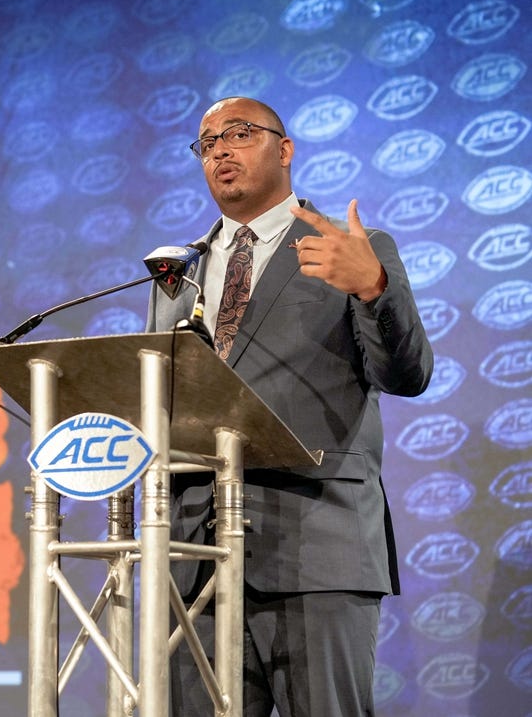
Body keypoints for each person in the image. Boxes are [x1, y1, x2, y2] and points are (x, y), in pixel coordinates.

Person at [145, 96, 433, 716]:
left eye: (239, 133)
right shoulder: (177, 274)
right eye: (207, 142)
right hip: (193, 558)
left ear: (285, 149)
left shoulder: (352, 247)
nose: (220, 149)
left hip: (316, 546)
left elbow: (407, 375)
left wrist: (374, 288)